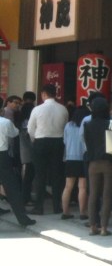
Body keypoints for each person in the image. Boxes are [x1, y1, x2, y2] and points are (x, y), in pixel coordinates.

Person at [81, 97, 112, 236]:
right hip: (109, 162)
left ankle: (92, 226)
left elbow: (87, 143)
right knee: (107, 195)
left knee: (93, 194)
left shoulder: (87, 124)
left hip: (93, 163)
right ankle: (104, 228)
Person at [27, 84, 69, 214]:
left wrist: (35, 140)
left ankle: (39, 207)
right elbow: (65, 127)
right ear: (55, 94)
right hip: (58, 142)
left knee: (40, 175)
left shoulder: (37, 109)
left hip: (41, 142)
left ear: (44, 94)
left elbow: (30, 129)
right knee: (57, 175)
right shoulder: (63, 109)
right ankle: (57, 206)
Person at [0, 114, 36, 227]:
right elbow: (14, 133)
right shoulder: (5, 122)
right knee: (11, 188)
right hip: (2, 156)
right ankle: (22, 218)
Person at [60, 106, 89, 219]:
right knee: (82, 187)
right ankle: (83, 212)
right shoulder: (86, 125)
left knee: (68, 187)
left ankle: (65, 212)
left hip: (70, 158)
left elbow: (65, 141)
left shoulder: (68, 125)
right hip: (83, 158)